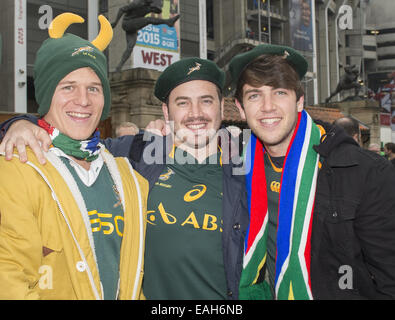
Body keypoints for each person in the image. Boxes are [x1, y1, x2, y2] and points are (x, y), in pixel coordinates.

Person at [0, 57, 248, 300]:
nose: (196, 113)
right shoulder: (135, 155)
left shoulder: (246, 169)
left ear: (221, 105)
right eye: (183, 103)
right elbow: (73, 134)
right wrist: (19, 124)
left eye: (206, 101)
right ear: (166, 111)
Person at [0, 13, 148, 300]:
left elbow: (132, 276)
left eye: (93, 88)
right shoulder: (16, 166)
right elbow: (9, 277)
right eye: (68, 87)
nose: (83, 100)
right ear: (46, 94)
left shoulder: (128, 176)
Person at [229, 44, 395, 299]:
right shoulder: (234, 169)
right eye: (254, 96)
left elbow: (388, 277)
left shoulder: (365, 172)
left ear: (299, 101)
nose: (267, 107)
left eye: (280, 92)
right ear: (240, 109)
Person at [111, 0, 180, 72]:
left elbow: (158, 11)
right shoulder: (137, 3)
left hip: (133, 27)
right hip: (127, 23)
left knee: (130, 47)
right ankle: (167, 22)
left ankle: (119, 67)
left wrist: (155, 8)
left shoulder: (149, 6)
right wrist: (115, 22)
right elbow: (122, 9)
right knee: (148, 20)